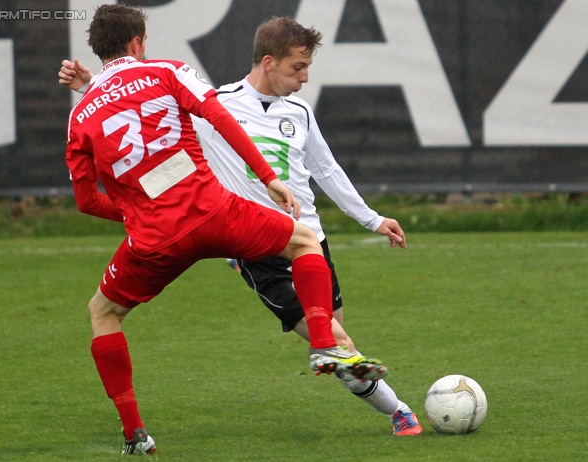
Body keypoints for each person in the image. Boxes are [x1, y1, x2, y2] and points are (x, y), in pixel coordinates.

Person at [61, 5, 391, 455]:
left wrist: (137, 212)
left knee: (103, 313)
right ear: (138, 43)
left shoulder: (79, 116)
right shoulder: (166, 71)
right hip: (214, 213)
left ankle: (134, 432)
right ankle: (323, 344)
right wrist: (268, 177)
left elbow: (85, 200)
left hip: (154, 238)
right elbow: (219, 118)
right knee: (303, 239)